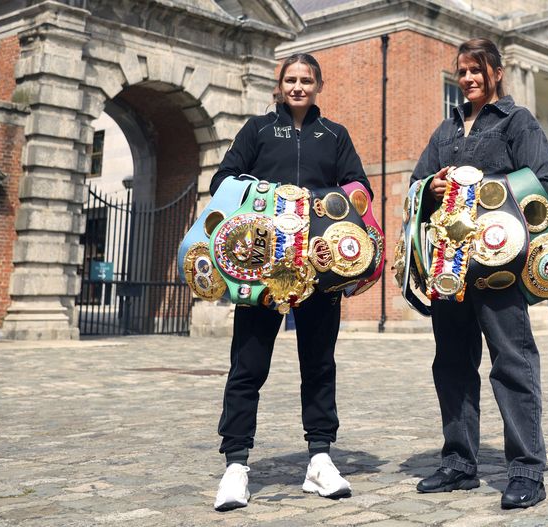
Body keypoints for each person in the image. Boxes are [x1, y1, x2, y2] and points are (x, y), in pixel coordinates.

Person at [209, 53, 372, 511]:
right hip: (262, 268)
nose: (298, 87)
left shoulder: (334, 135)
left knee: (319, 365)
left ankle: (320, 459)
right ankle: (236, 464)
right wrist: (267, 196)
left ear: (319, 85)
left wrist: (325, 201)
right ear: (279, 86)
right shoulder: (257, 130)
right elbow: (223, 180)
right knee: (248, 365)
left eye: (306, 80)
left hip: (319, 268)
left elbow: (359, 186)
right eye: (291, 80)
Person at [410, 38, 548, 510]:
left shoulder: (517, 122)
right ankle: (458, 462)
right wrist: (431, 186)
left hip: (499, 268)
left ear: (495, 72)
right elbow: (417, 185)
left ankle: (526, 469)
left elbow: (539, 183)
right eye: (462, 72)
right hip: (449, 269)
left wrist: (482, 189)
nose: (468, 78)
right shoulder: (444, 131)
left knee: (512, 362)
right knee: (451, 364)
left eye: (477, 70)